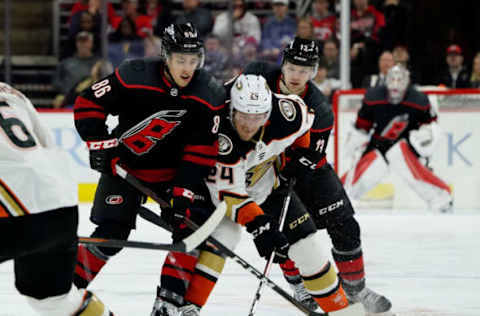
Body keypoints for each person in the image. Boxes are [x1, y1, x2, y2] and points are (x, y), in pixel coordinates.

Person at [152, 74, 364, 316]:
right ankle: (190, 308)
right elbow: (230, 196)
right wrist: (260, 226)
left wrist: (301, 155)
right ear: (232, 109)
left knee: (308, 249)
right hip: (217, 193)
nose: (249, 125)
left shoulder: (285, 113)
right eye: (243, 116)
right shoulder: (218, 130)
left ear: (268, 111)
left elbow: (305, 122)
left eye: (258, 118)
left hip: (269, 187)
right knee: (223, 237)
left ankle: (342, 313)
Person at [241, 37, 392, 315]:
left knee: (346, 225)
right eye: (293, 68)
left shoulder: (319, 109)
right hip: (261, 169)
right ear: (283, 64)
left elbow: (309, 158)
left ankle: (355, 290)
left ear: (314, 71)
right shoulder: (257, 75)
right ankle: (299, 286)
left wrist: (289, 172)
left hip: (307, 169)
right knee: (286, 236)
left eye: (305, 70)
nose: (297, 76)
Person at [71, 23, 225, 290]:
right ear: (166, 56)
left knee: (192, 232)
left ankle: (168, 302)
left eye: (193, 60)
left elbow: (201, 151)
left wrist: (184, 192)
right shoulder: (135, 75)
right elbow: (89, 102)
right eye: (180, 60)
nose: (187, 68)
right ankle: (67, 292)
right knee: (110, 234)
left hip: (174, 174)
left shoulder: (208, 93)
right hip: (125, 167)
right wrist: (100, 144)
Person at [0, 82, 113, 316]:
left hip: (13, 211)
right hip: (60, 207)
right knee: (53, 299)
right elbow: (47, 146)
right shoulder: (10, 93)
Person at [342, 64, 453, 213]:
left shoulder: (419, 100)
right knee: (366, 171)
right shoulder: (373, 97)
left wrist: (424, 139)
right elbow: (363, 125)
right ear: (386, 80)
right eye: (392, 80)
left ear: (407, 81)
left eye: (400, 80)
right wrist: (355, 141)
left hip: (407, 145)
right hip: (378, 145)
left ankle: (441, 197)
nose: (395, 85)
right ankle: (336, 199)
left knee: (403, 158)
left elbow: (431, 126)